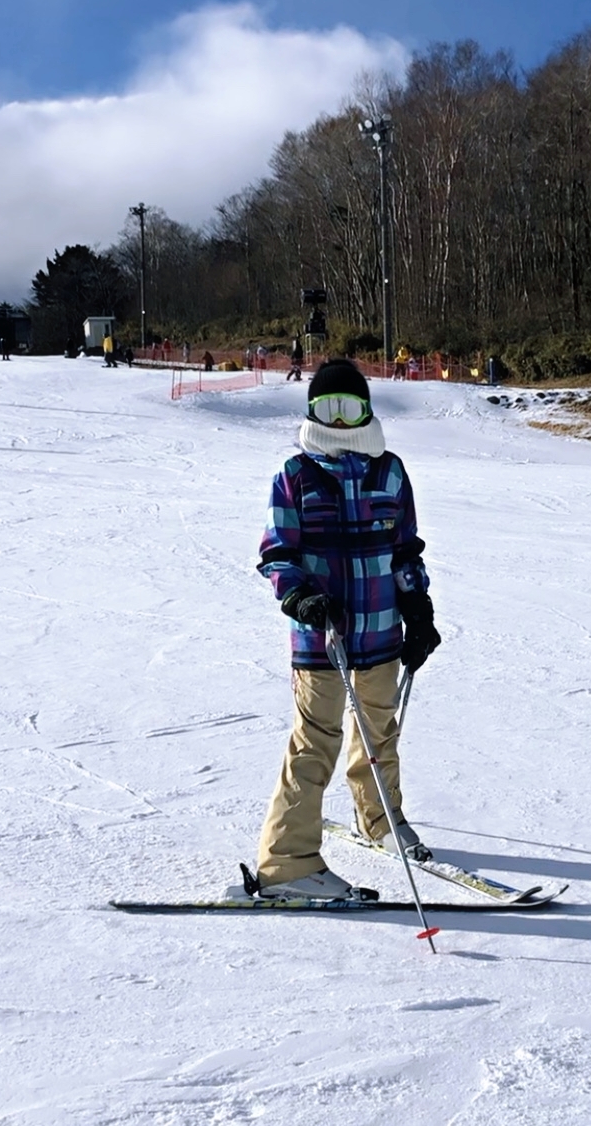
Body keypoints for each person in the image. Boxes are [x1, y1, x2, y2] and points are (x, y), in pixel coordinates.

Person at [254, 358, 441, 898]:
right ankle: (287, 863)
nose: (339, 421)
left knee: (381, 733)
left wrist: (418, 610)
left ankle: (379, 820)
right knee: (315, 743)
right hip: (323, 640)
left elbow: (405, 548)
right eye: (327, 409)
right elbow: (277, 554)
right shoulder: (295, 476)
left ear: (367, 410)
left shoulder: (390, 472)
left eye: (350, 408)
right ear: (313, 412)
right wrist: (301, 597)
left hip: (381, 633)